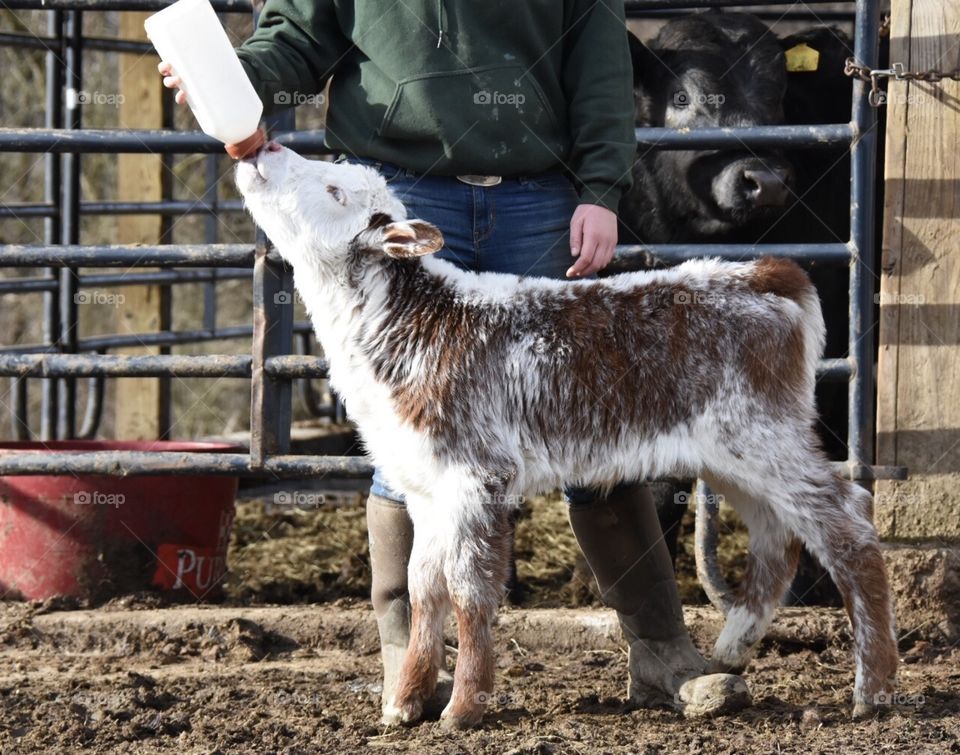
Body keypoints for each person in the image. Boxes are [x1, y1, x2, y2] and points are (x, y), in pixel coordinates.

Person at [160, 0, 748, 719]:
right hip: (394, 196)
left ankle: (661, 650)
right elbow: (299, 33)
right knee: (408, 448)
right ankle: (411, 661)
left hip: (537, 193)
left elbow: (597, 54)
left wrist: (601, 187)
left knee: (592, 426)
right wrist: (231, 82)